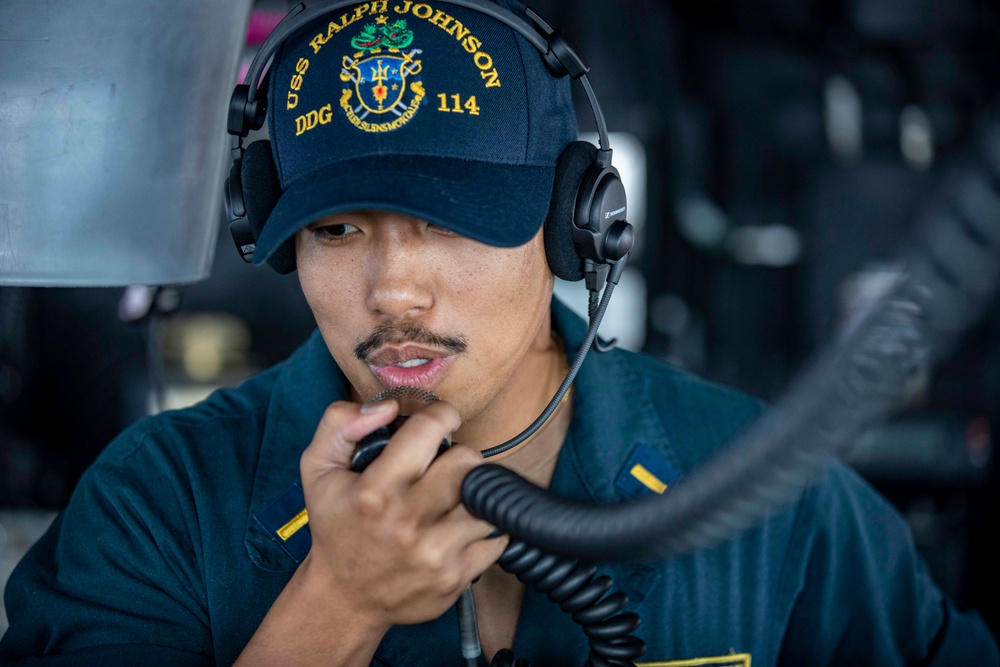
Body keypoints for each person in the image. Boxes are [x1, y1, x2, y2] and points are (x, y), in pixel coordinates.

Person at [2, 1, 997, 665]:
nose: (395, 288)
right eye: (338, 228)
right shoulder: (158, 502)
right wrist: (336, 604)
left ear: (576, 223)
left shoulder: (776, 502)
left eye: (450, 219)